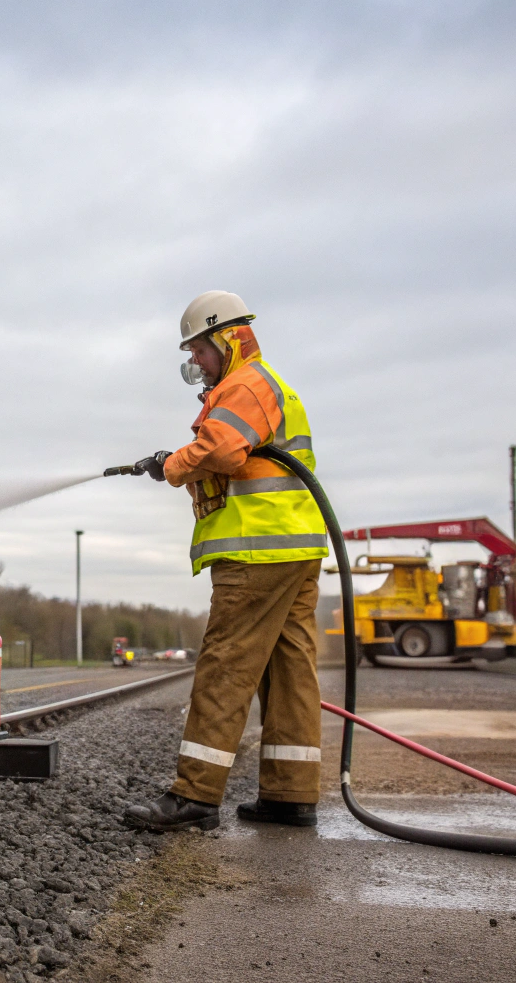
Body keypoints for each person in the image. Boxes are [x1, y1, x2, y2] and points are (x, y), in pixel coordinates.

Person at [121, 290, 329, 831]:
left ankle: (195, 796)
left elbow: (219, 451)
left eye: (199, 351)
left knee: (226, 665)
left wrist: (170, 464)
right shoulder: (262, 386)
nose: (196, 363)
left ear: (228, 339)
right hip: (295, 547)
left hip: (258, 550)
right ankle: (290, 795)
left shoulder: (246, 383)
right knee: (289, 672)